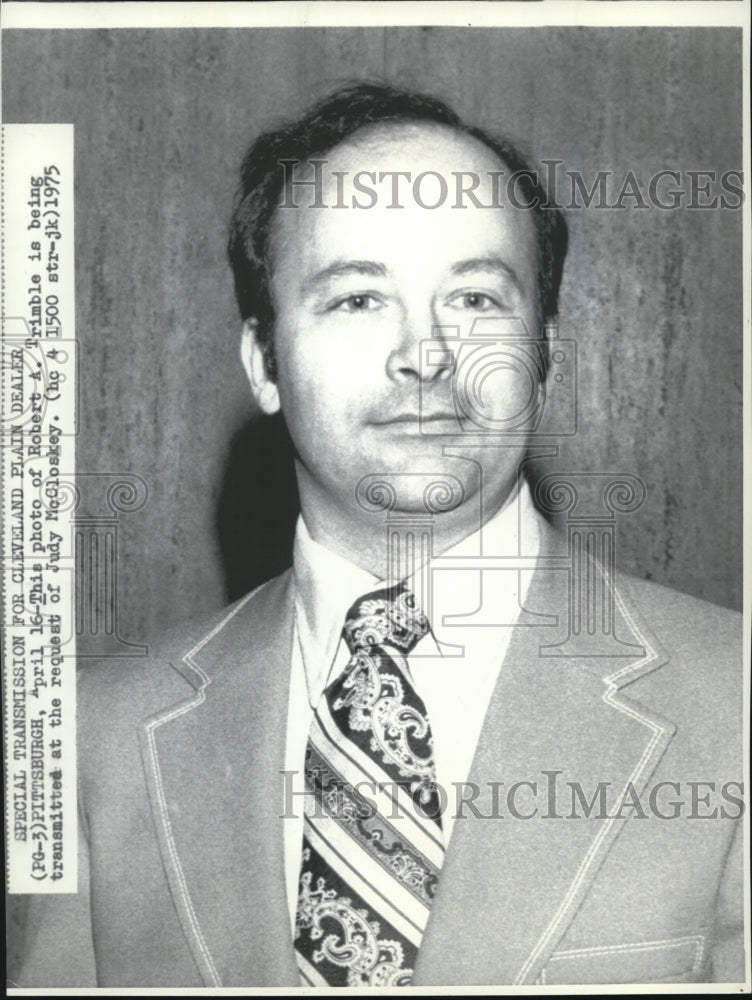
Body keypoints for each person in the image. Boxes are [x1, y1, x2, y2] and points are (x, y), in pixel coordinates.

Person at [18, 83, 744, 988]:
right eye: (358, 299)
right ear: (264, 361)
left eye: (477, 297)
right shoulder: (91, 740)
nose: (428, 353)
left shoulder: (735, 708)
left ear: (546, 353)